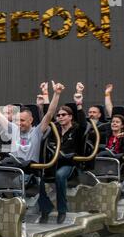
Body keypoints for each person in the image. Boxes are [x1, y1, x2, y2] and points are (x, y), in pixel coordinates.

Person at [37, 83, 88, 224]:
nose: (60, 117)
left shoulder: (77, 129)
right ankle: (45, 208)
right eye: (59, 115)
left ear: (70, 117)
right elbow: (49, 115)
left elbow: (84, 124)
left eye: (63, 115)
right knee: (38, 177)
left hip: (69, 163)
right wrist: (46, 94)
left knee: (60, 176)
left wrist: (79, 104)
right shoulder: (55, 129)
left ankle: (62, 210)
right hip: (53, 161)